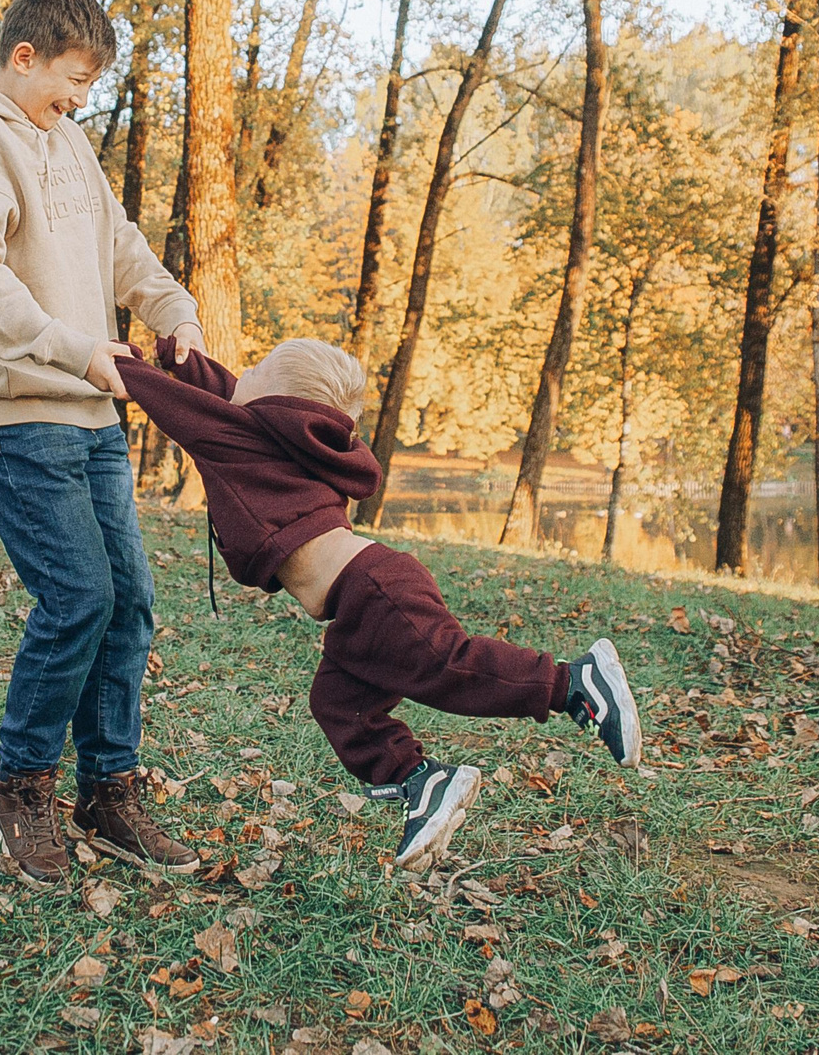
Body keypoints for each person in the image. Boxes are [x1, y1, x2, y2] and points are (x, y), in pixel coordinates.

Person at [118, 338, 641, 873]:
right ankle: (423, 783)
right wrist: (181, 358)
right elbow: (226, 393)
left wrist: (117, 364)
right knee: (340, 705)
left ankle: (573, 684)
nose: (241, 370)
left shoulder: (235, 437)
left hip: (373, 590)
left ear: (275, 403)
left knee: (448, 665)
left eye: (256, 368)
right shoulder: (265, 435)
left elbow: (181, 406)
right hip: (359, 602)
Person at [0, 0, 204, 886]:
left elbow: (117, 246)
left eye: (90, 84)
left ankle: (109, 790)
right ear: (23, 58)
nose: (81, 97)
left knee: (129, 602)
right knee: (78, 597)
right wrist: (76, 349)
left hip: (89, 410)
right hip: (13, 408)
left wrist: (173, 310)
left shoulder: (68, 140)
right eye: (74, 78)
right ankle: (21, 786)